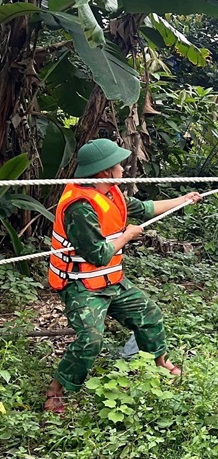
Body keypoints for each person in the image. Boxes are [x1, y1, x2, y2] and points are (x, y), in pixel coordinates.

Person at [44, 139, 202, 413]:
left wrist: (184, 200)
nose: (122, 167)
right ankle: (57, 390)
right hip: (82, 285)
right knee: (90, 340)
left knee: (149, 315)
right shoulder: (80, 207)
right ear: (104, 172)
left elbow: (146, 208)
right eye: (117, 163)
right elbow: (98, 255)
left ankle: (159, 362)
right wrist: (128, 235)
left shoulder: (110, 193)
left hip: (111, 281)